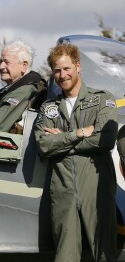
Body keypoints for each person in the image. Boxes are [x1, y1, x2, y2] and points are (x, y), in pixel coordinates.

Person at [34, 43, 118, 262]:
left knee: (104, 253)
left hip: (96, 187)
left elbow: (107, 139)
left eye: (67, 68)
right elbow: (44, 145)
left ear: (78, 66)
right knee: (65, 256)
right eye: (57, 71)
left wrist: (61, 139)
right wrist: (78, 133)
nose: (62, 75)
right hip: (62, 189)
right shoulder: (48, 108)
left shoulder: (102, 99)